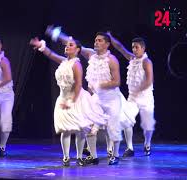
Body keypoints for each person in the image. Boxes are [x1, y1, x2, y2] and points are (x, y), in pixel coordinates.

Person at [45, 26, 124, 165]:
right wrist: (56, 33)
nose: (96, 42)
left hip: (111, 98)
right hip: (96, 98)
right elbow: (73, 42)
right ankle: (93, 156)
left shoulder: (112, 60)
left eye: (100, 41)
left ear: (107, 44)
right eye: (95, 40)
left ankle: (114, 154)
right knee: (89, 126)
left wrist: (100, 85)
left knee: (112, 127)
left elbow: (117, 82)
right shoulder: (90, 54)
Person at [29, 37, 107, 166]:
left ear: (77, 50)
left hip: (76, 99)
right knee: (65, 129)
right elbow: (50, 54)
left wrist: (71, 102)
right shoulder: (64, 62)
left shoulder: (76, 64)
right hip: (63, 98)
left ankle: (79, 157)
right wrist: (41, 45)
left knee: (80, 129)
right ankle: (66, 157)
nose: (67, 46)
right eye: (67, 45)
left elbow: (77, 85)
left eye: (71, 45)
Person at [108, 32, 155, 156]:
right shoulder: (132, 59)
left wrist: (139, 89)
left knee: (148, 125)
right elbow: (120, 48)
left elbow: (149, 80)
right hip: (132, 98)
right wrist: (110, 37)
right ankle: (130, 148)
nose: (134, 50)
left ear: (143, 48)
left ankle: (147, 144)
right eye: (133, 47)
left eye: (136, 47)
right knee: (126, 120)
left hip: (146, 97)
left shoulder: (147, 62)